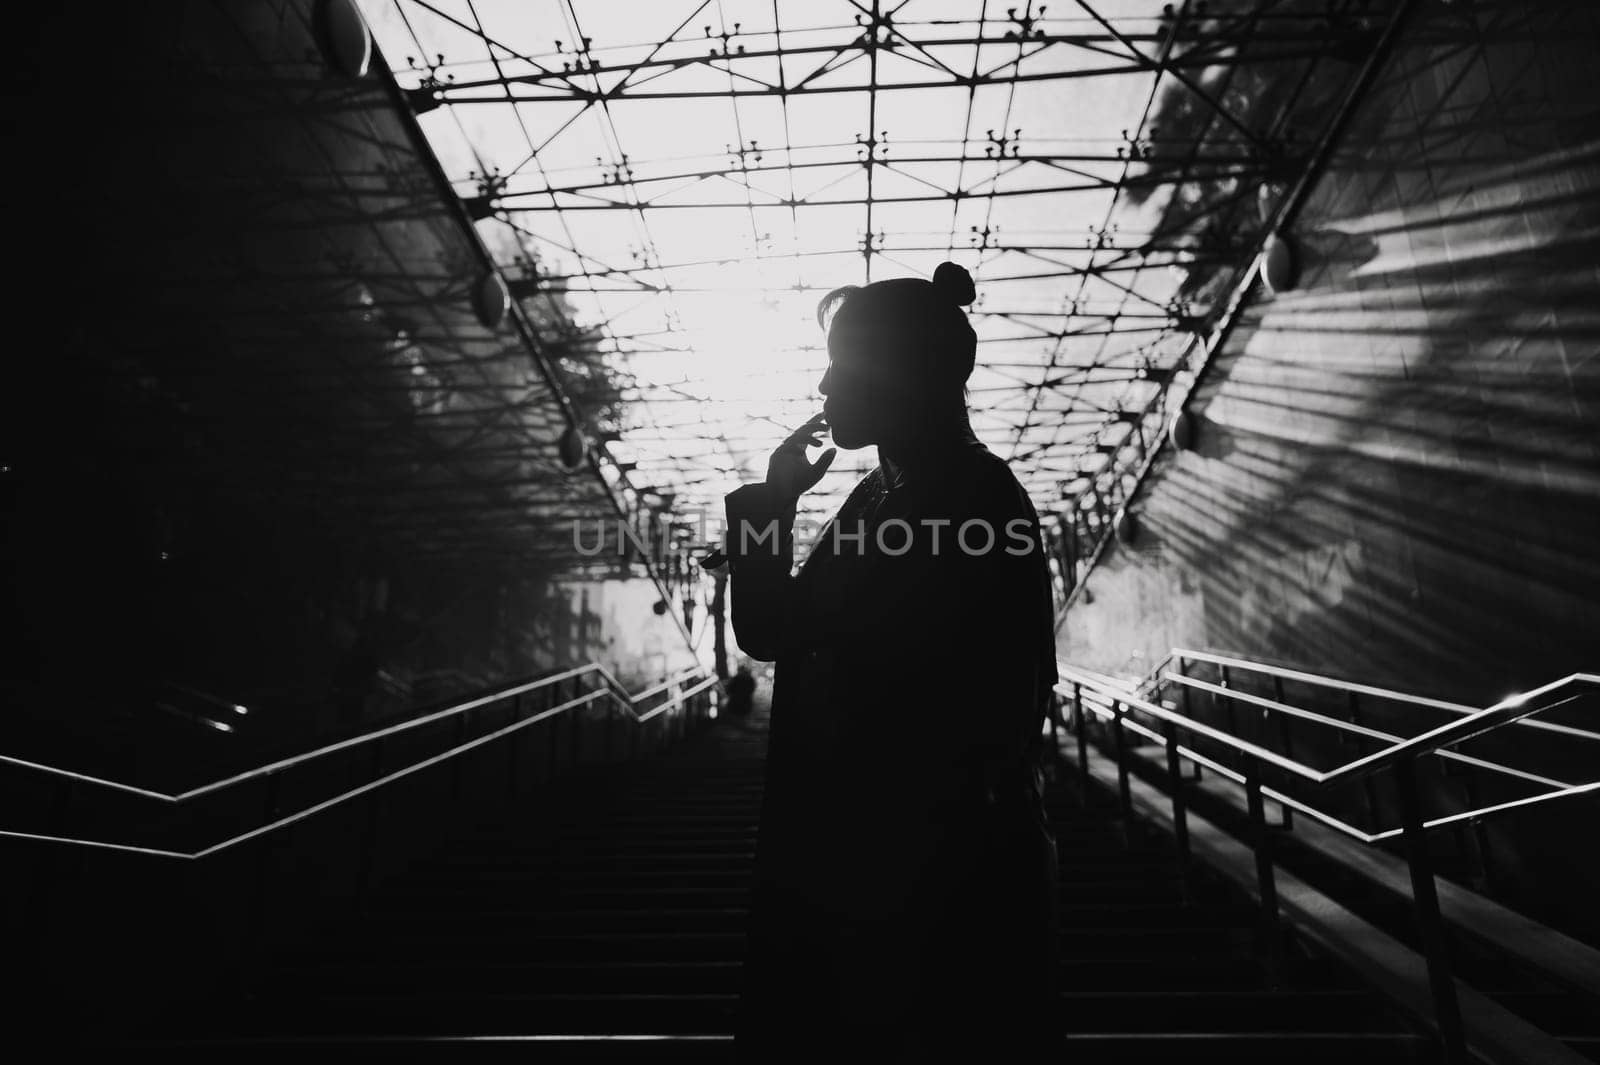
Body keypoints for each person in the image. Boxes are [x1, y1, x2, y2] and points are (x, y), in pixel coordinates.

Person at [722, 262, 1061, 1060]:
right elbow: (777, 627)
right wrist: (775, 501)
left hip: (917, 881)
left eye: (845, 363)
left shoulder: (936, 501)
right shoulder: (922, 493)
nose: (825, 381)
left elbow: (777, 625)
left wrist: (774, 507)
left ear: (902, 369)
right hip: (908, 866)